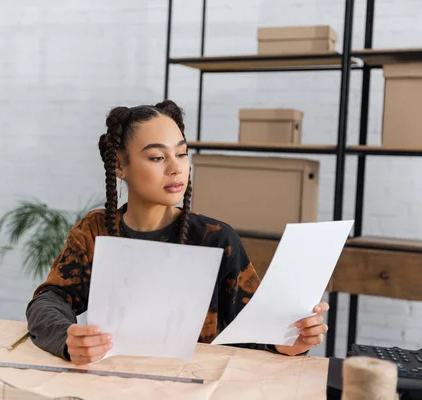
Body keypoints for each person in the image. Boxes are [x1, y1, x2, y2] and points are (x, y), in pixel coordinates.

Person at [25, 100, 329, 366]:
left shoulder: (216, 239)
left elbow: (251, 332)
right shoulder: (95, 232)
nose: (176, 168)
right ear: (119, 164)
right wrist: (68, 339)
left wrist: (289, 341)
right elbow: (49, 300)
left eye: (182, 154)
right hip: (111, 382)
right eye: (157, 157)